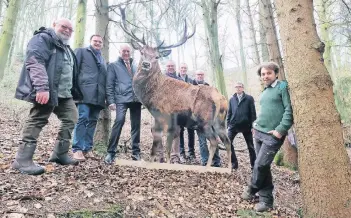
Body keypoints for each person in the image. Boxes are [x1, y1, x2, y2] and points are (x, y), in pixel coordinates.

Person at [12, 18, 82, 175]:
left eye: (70, 29)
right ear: (54, 25)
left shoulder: (65, 47)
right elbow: (35, 61)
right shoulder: (43, 39)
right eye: (64, 27)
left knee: (71, 117)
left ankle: (59, 154)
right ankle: (22, 160)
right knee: (38, 119)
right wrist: (42, 88)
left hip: (64, 94)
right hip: (47, 90)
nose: (67, 31)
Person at [241, 62, 293, 212]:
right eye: (263, 74)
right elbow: (264, 111)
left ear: (276, 73)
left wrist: (281, 129)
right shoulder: (265, 91)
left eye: (268, 73)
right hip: (258, 132)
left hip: (273, 135)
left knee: (260, 165)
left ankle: (252, 188)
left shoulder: (282, 87)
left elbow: (289, 109)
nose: (265, 76)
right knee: (263, 167)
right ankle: (266, 201)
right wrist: (255, 125)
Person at [104, 44, 142, 164]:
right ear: (120, 52)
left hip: (136, 99)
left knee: (136, 126)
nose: (126, 53)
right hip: (121, 99)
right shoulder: (113, 66)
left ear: (130, 52)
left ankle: (136, 152)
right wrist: (111, 101)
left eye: (128, 51)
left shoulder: (136, 66)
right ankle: (111, 152)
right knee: (119, 121)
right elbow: (109, 85)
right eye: (124, 51)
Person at [71, 35, 107, 161]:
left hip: (98, 96)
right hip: (84, 93)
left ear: (102, 44)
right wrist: (74, 89)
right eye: (95, 41)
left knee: (92, 121)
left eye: (100, 42)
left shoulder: (102, 59)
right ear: (90, 41)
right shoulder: (81, 52)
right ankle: (77, 149)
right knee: (83, 118)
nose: (97, 43)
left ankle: (87, 148)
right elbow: (74, 70)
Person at [192, 70, 221, 167]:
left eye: (201, 74)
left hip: (210, 119)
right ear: (195, 76)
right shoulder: (191, 86)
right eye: (198, 74)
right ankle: (205, 161)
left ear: (203, 76)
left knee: (214, 140)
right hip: (198, 120)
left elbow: (214, 102)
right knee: (202, 142)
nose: (200, 76)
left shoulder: (209, 87)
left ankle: (216, 160)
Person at [227, 82, 256, 170]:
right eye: (236, 87)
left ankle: (253, 165)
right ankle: (234, 163)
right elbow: (229, 113)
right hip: (233, 125)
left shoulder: (249, 98)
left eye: (239, 87)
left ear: (243, 88)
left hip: (246, 126)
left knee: (251, 146)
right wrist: (228, 124)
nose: (238, 89)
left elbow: (253, 113)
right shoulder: (232, 99)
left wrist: (253, 126)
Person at [177, 63, 195, 163]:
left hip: (189, 109)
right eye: (182, 68)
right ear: (179, 69)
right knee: (180, 131)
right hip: (179, 110)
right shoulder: (176, 79)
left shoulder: (191, 81)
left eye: (185, 68)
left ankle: (191, 152)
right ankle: (181, 152)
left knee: (191, 130)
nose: (183, 69)